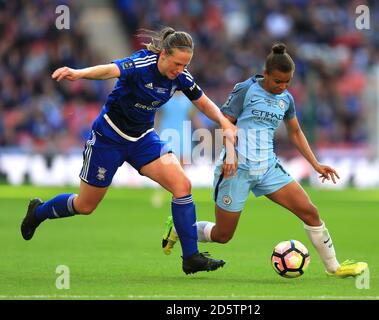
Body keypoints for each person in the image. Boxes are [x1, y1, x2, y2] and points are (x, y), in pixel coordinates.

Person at [20, 27, 238, 275]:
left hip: (143, 139)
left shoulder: (180, 76)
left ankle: (191, 257)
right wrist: (78, 73)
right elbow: (110, 70)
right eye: (177, 63)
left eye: (185, 64)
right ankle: (38, 211)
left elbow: (203, 102)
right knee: (85, 206)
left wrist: (223, 122)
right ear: (163, 55)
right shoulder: (141, 63)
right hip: (108, 138)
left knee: (182, 186)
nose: (180, 69)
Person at [162, 43, 368, 277]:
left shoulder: (286, 100)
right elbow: (225, 121)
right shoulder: (245, 90)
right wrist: (230, 154)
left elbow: (296, 132)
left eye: (287, 83)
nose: (282, 87)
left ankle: (334, 267)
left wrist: (316, 164)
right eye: (277, 81)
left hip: (267, 168)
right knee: (223, 235)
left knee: (310, 212)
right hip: (236, 169)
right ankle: (180, 229)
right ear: (266, 74)